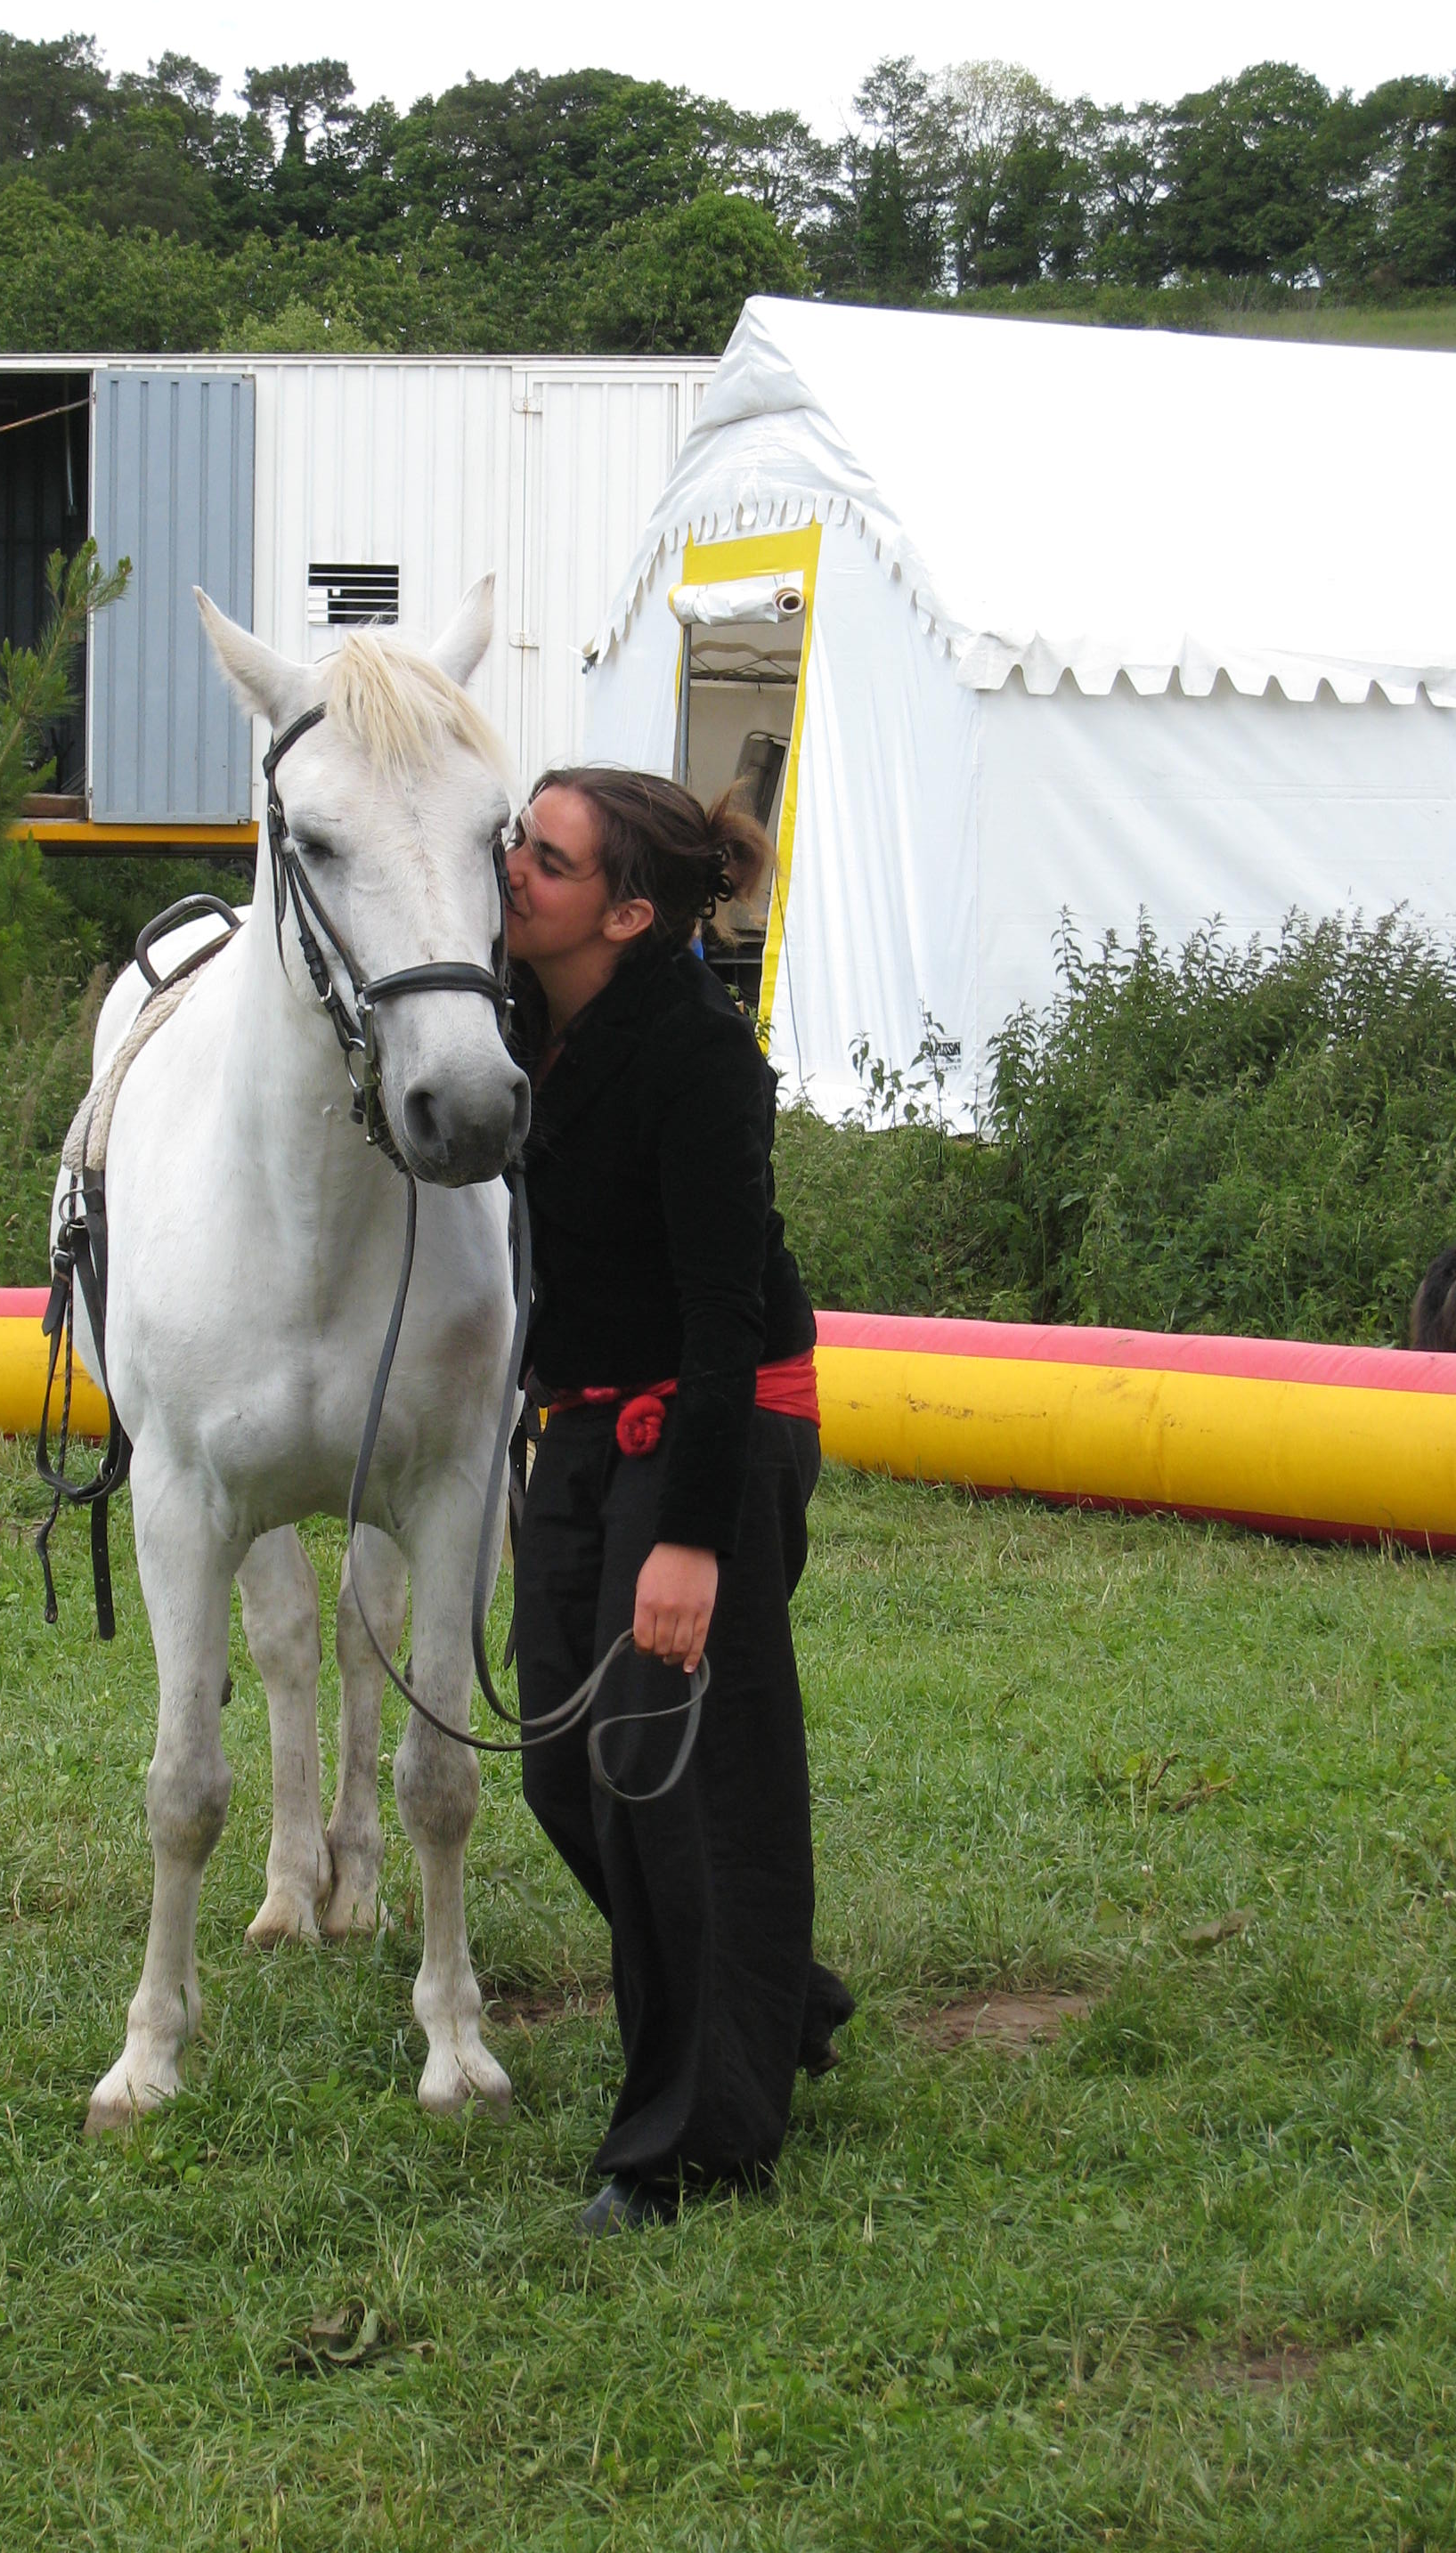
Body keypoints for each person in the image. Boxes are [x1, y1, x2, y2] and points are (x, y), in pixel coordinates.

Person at [501, 766, 853, 2239]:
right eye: (518, 838)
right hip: (586, 1421)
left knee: (672, 1781)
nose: (513, 867)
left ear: (629, 915)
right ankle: (771, 1997)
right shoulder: (515, 1018)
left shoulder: (701, 1056)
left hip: (716, 1418)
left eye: (549, 858)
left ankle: (692, 2148)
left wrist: (695, 1541)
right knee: (563, 1769)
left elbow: (724, 1320)